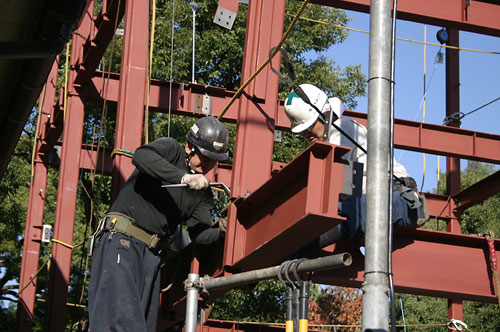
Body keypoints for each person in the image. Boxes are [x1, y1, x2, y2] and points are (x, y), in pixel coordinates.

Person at [88, 116, 229, 332]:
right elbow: (141, 156)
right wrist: (183, 178)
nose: (207, 166)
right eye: (204, 157)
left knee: (142, 325)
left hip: (151, 256)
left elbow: (199, 234)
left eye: (213, 161)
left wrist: (221, 230)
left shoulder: (203, 193)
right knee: (121, 323)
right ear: (189, 146)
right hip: (122, 240)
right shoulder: (171, 150)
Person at [284, 84, 428, 247]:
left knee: (339, 214)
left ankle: (298, 245)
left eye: (308, 127)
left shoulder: (342, 129)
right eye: (302, 131)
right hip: (379, 202)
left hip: (399, 200)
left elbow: (346, 189)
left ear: (324, 115)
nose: (305, 134)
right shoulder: (333, 139)